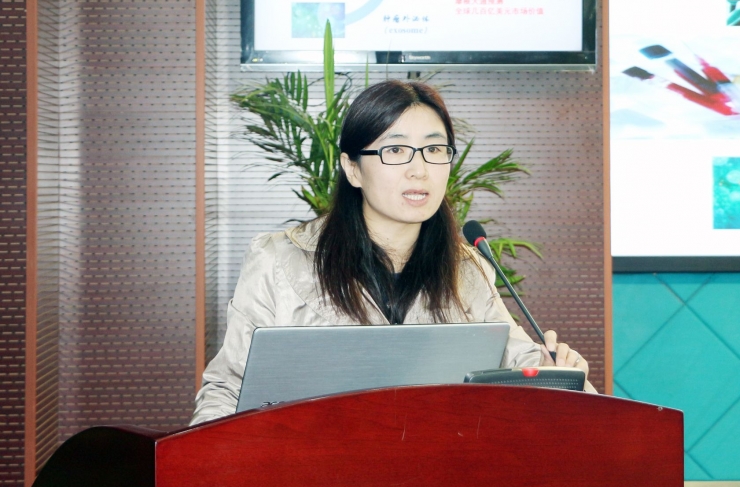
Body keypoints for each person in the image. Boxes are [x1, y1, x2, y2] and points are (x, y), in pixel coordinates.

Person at [191, 80, 593, 425]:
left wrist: (556, 376)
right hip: (309, 471)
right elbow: (228, 389)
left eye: (435, 150)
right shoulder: (279, 260)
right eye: (396, 151)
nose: (419, 170)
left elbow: (521, 367)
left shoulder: (468, 269)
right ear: (353, 169)